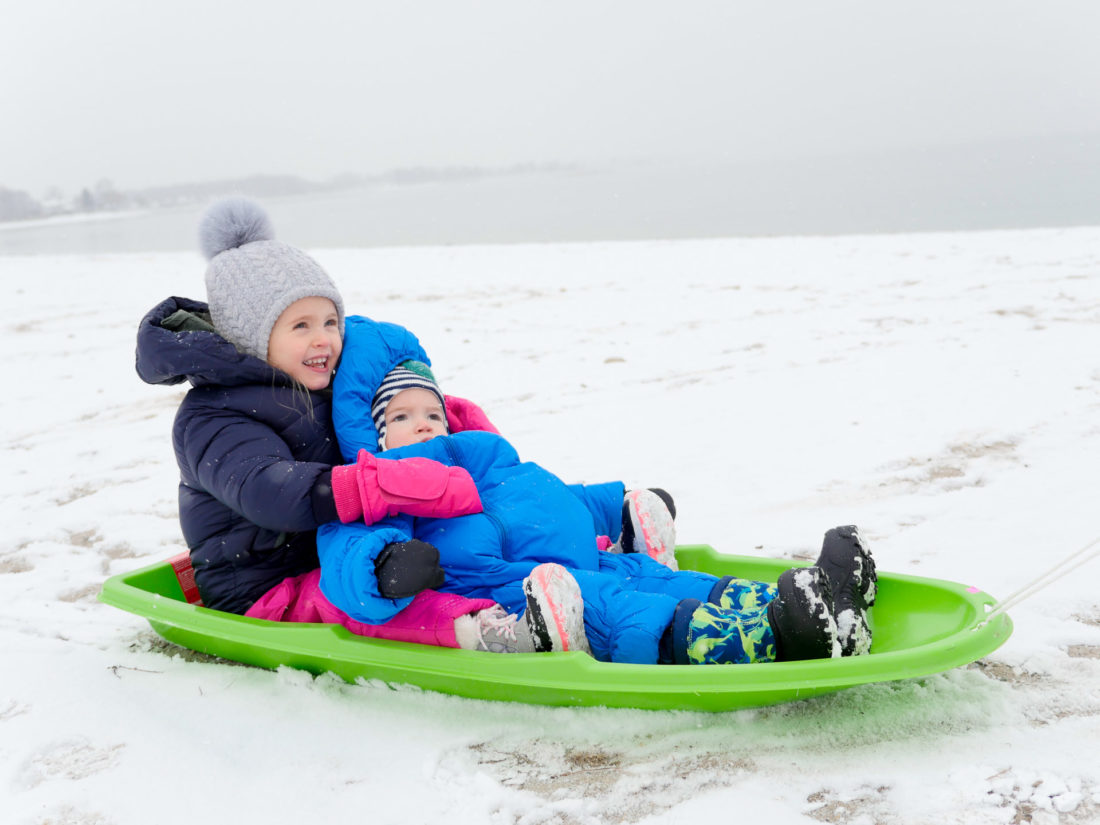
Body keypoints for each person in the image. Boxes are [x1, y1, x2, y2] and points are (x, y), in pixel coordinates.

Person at [134, 197, 588, 655]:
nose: (323, 338)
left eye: (331, 321)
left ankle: (577, 564)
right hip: (265, 590)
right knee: (356, 603)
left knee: (460, 548)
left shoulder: (320, 388)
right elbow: (269, 491)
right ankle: (490, 632)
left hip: (350, 554)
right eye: (301, 325)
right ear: (253, 337)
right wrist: (379, 485)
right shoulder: (212, 415)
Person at [318, 336, 879, 664]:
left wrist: (613, 505)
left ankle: (824, 600)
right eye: (401, 417)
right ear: (376, 433)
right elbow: (343, 554)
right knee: (632, 612)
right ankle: (780, 635)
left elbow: (558, 500)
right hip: (518, 590)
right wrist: (385, 567)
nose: (423, 426)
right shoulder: (379, 484)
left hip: (593, 558)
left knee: (667, 580)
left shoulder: (492, 459)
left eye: (432, 412)